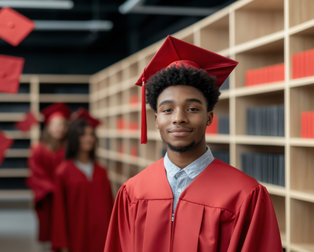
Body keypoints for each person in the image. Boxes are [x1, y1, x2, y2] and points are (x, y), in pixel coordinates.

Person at [104, 36, 283, 251]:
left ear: (209, 117)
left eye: (192, 109)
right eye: (167, 109)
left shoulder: (245, 195)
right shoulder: (133, 192)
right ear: (156, 120)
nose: (178, 118)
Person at [52, 109, 114, 252]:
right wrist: (62, 243)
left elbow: (110, 206)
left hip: (101, 235)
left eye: (91, 134)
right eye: (83, 135)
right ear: (74, 138)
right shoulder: (63, 172)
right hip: (76, 236)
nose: (89, 138)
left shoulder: (101, 171)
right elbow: (59, 213)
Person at [27, 103, 71, 243]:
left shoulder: (69, 150)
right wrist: (52, 188)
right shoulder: (38, 150)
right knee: (47, 229)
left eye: (63, 125)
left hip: (66, 196)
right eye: (56, 124)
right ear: (48, 127)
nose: (60, 128)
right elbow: (36, 174)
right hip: (47, 197)